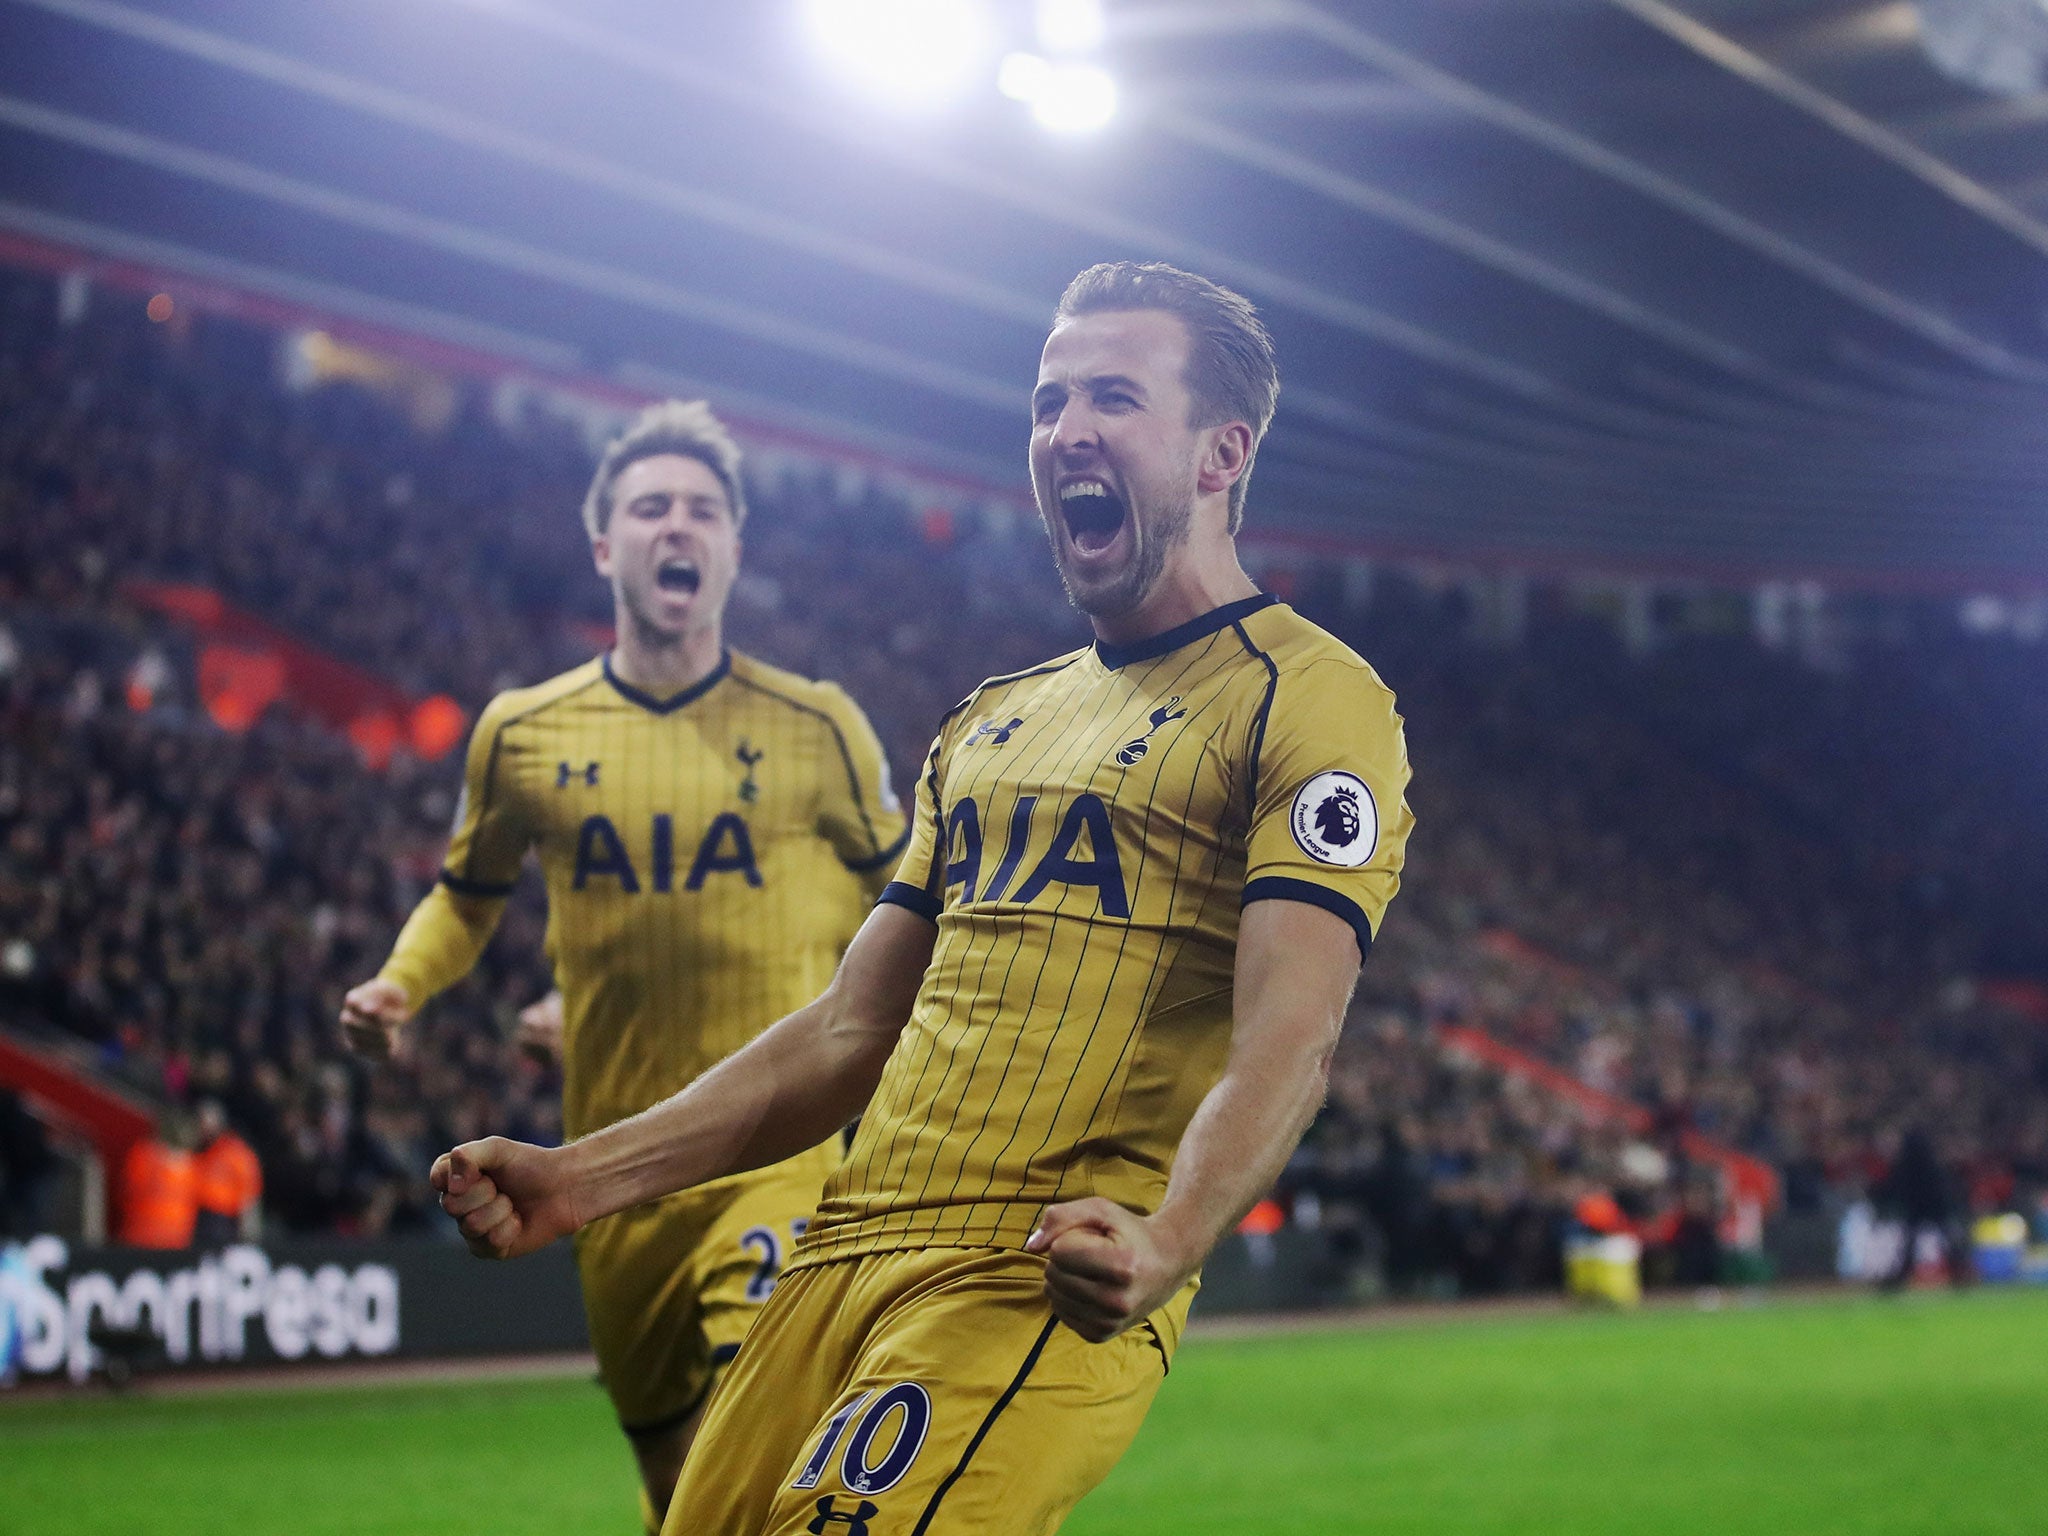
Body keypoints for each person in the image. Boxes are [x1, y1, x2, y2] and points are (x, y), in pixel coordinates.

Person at [431, 263, 1414, 1535]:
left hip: (1035, 1265)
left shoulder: (1311, 699)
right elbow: (849, 1031)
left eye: (1113, 397)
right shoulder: (987, 722)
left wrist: (1166, 1241)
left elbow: (1293, 1029)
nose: (1067, 430)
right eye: (1049, 399)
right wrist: (584, 1178)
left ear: (1220, 452)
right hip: (836, 1254)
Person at [340, 400, 905, 1531]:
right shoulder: (523, 732)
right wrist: (404, 980)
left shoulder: (819, 727)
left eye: (701, 509)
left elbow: (907, 900)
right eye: (649, 508)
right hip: (606, 1165)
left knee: (766, 1437)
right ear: (605, 545)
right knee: (672, 1492)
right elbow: (468, 894)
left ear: (734, 547)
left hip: (776, 1149)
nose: (675, 527)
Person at [115, 1112, 198, 1250]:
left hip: (175, 1240)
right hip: (142, 1237)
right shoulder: (144, 1156)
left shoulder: (193, 1165)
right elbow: (127, 1189)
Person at [192, 1098, 263, 1247]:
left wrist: (249, 1234)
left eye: (206, 1119)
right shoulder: (195, 1149)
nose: (202, 1125)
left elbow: (249, 1196)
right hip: (193, 1218)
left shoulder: (235, 1152)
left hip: (221, 1222)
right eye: (199, 1119)